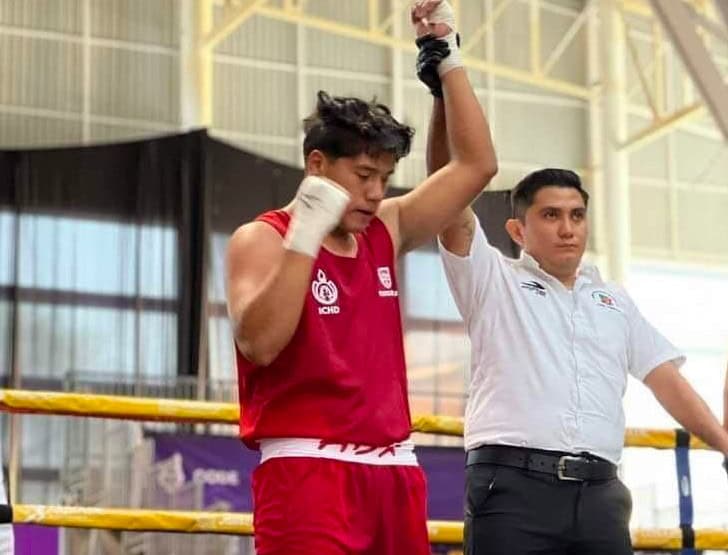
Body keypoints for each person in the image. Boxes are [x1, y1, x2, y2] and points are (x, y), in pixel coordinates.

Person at [416, 46, 728, 554]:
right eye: (551, 215)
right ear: (518, 230)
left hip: (602, 495)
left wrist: (724, 442)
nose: (568, 228)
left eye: (577, 215)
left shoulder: (613, 300)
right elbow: (445, 193)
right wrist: (442, 88)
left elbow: (665, 379)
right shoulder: (493, 279)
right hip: (511, 490)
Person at [225, 1, 497, 553]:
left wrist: (446, 58)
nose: (376, 193)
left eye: (386, 177)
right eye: (364, 175)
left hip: (395, 471)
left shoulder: (385, 229)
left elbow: (476, 167)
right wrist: (305, 236)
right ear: (317, 166)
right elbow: (260, 344)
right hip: (307, 470)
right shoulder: (261, 238)